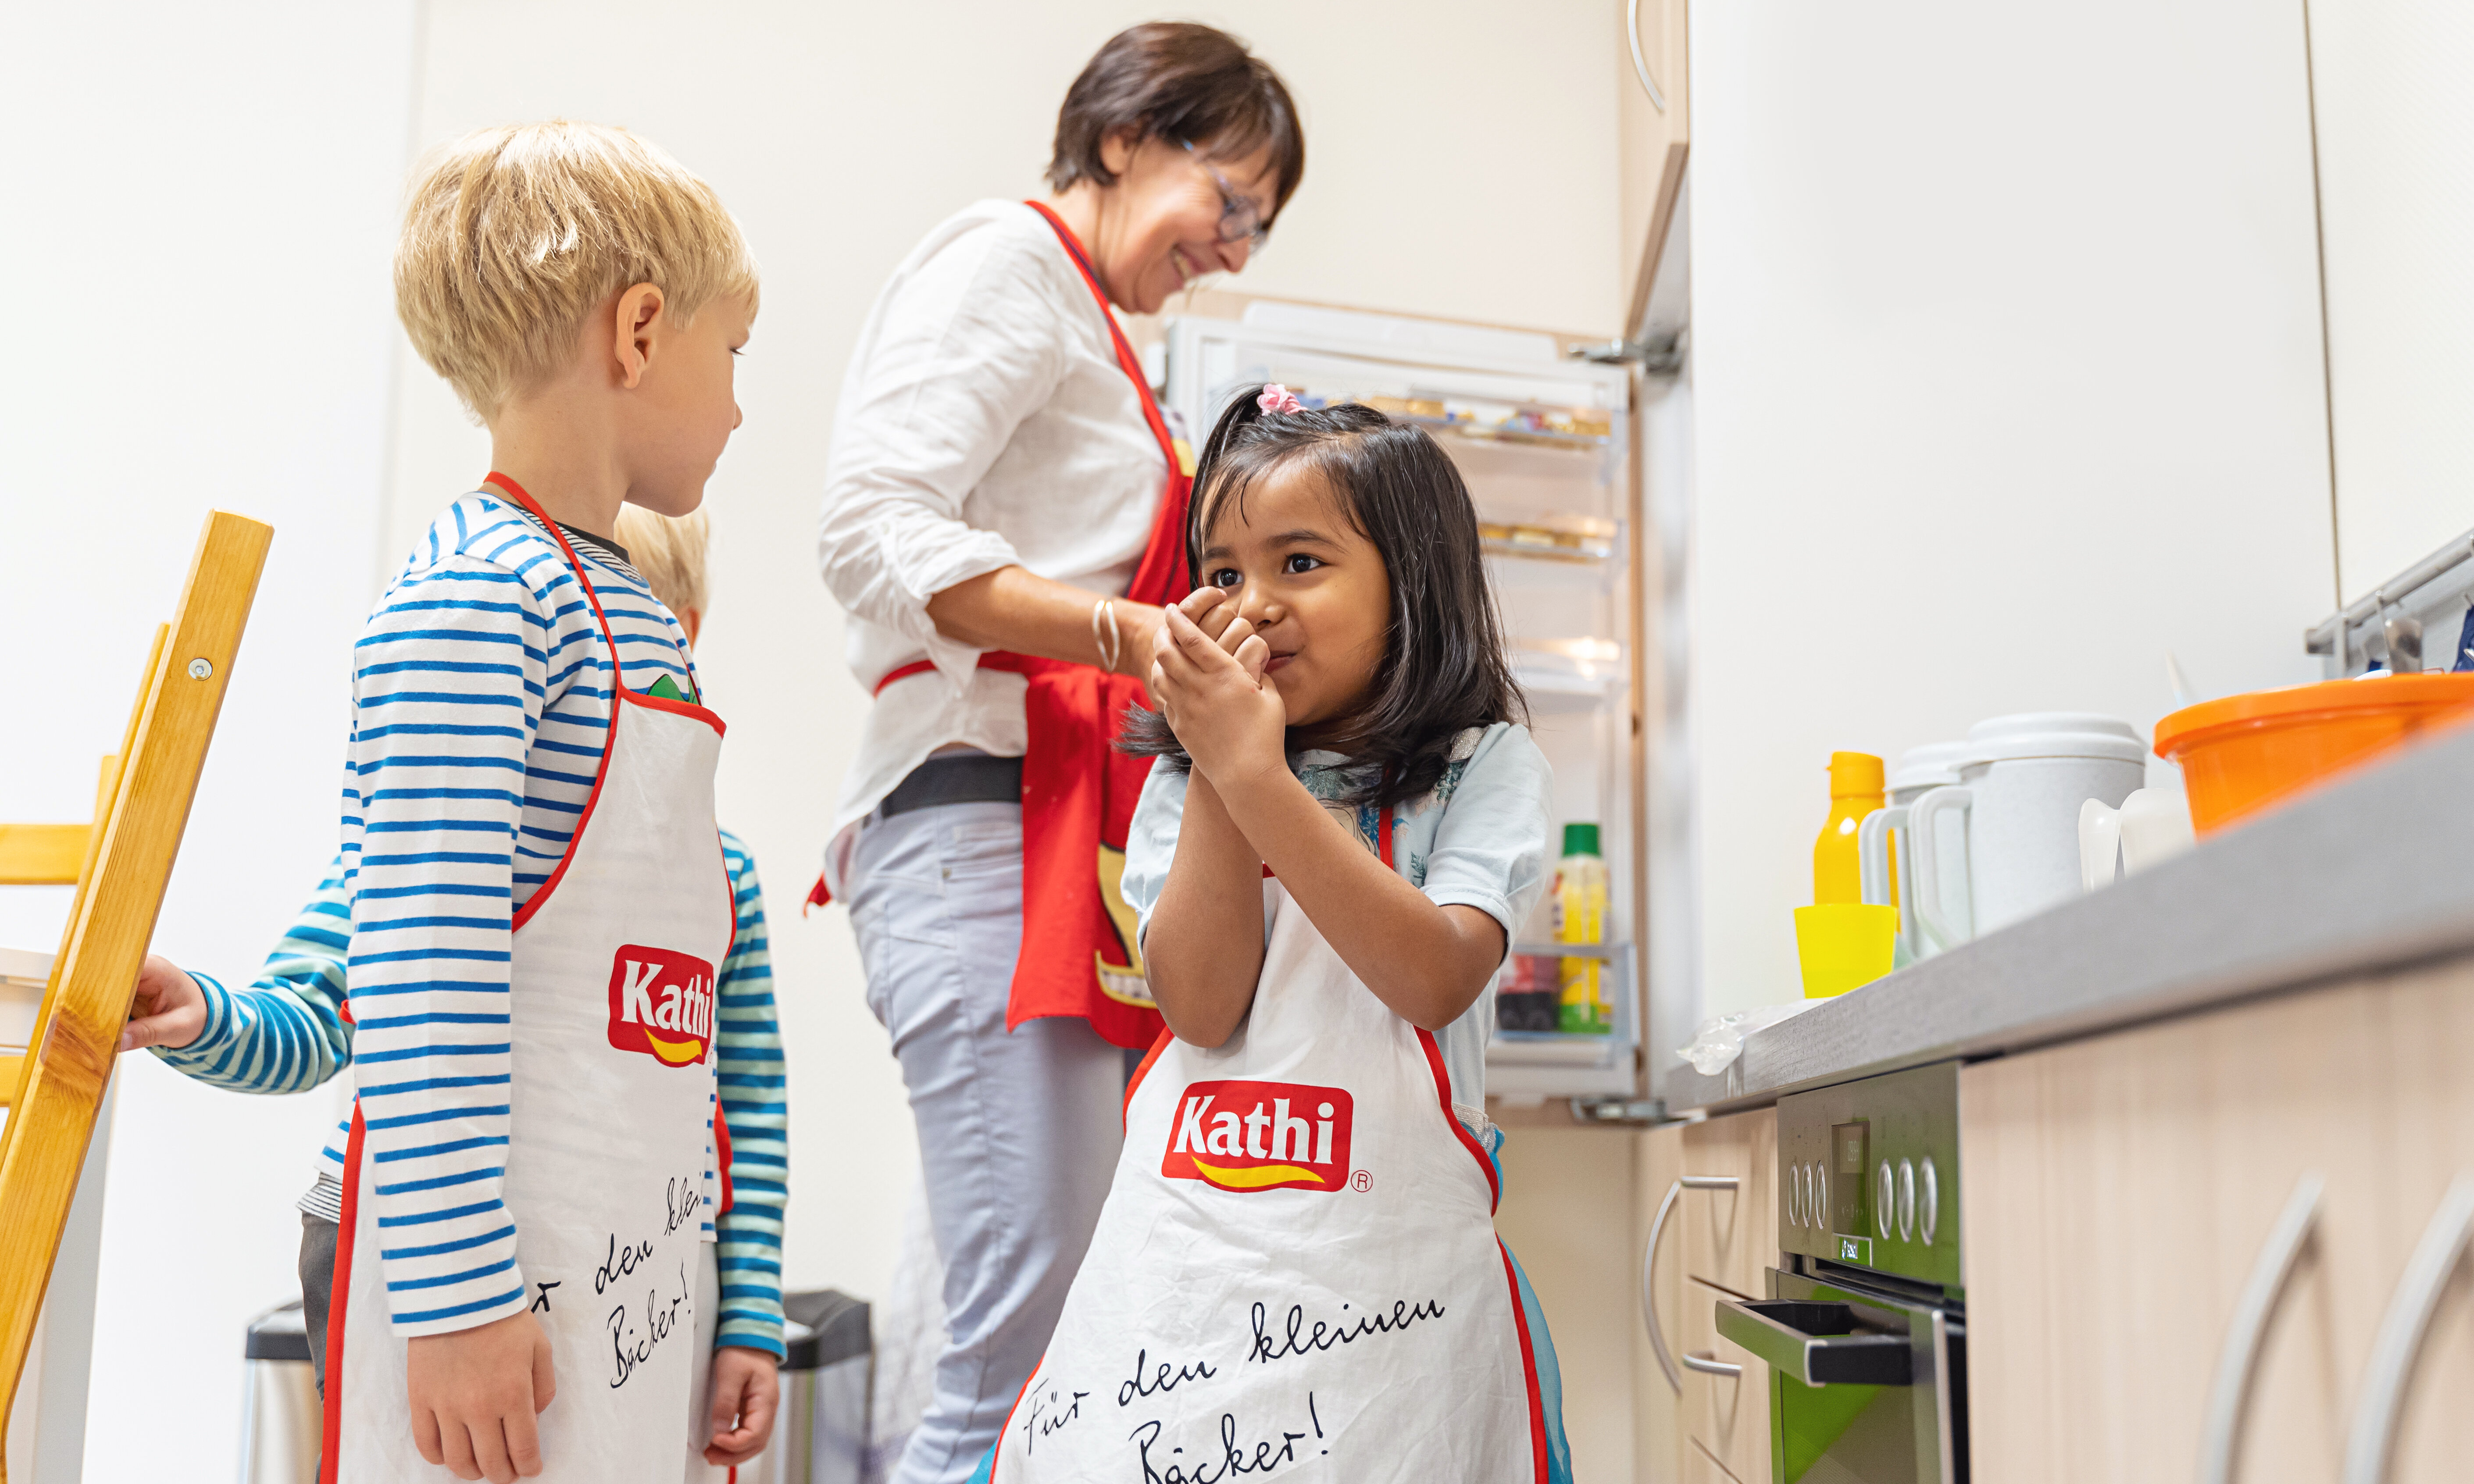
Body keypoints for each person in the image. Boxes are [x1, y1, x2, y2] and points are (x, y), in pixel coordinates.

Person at [813, 24, 1303, 1484]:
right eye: (1229, 202)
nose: (1232, 249)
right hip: (977, 825)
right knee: (1018, 1346)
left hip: (1038, 846)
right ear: (1122, 140)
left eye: (1259, 228)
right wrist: (1122, 635)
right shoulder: (1008, 268)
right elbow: (868, 527)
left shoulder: (1093, 323)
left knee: (1034, 1323)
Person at [117, 506, 789, 1480]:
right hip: (407, 1248)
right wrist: (205, 1016)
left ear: (677, 641)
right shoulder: (433, 826)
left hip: (646, 1264)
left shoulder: (722, 879)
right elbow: (315, 1016)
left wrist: (752, 1315)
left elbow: (749, 1108)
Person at [977, 386, 1572, 1481]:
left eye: (1299, 563)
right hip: (1197, 1277)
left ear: (1415, 589)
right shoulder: (1182, 774)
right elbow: (1200, 1007)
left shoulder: (1484, 769)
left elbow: (1432, 975)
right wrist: (1219, 767)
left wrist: (1259, 773)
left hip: (1389, 1296)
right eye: (1221, 574)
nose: (1252, 605)